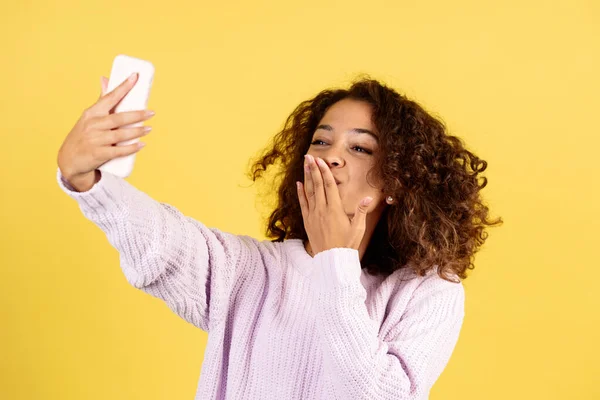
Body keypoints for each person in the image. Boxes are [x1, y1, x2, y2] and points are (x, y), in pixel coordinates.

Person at [56, 73, 502, 399]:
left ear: (397, 183)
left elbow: (378, 395)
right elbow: (162, 243)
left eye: (360, 148)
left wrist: (335, 262)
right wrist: (85, 178)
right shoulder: (249, 271)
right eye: (322, 142)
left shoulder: (428, 292)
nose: (332, 158)